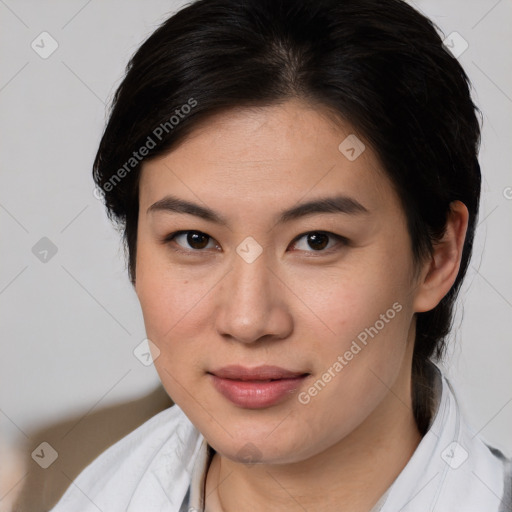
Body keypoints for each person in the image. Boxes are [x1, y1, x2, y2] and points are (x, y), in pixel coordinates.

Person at [49, 0, 511, 510]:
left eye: (317, 240)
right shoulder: (70, 485)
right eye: (194, 239)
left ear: (438, 256)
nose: (247, 320)